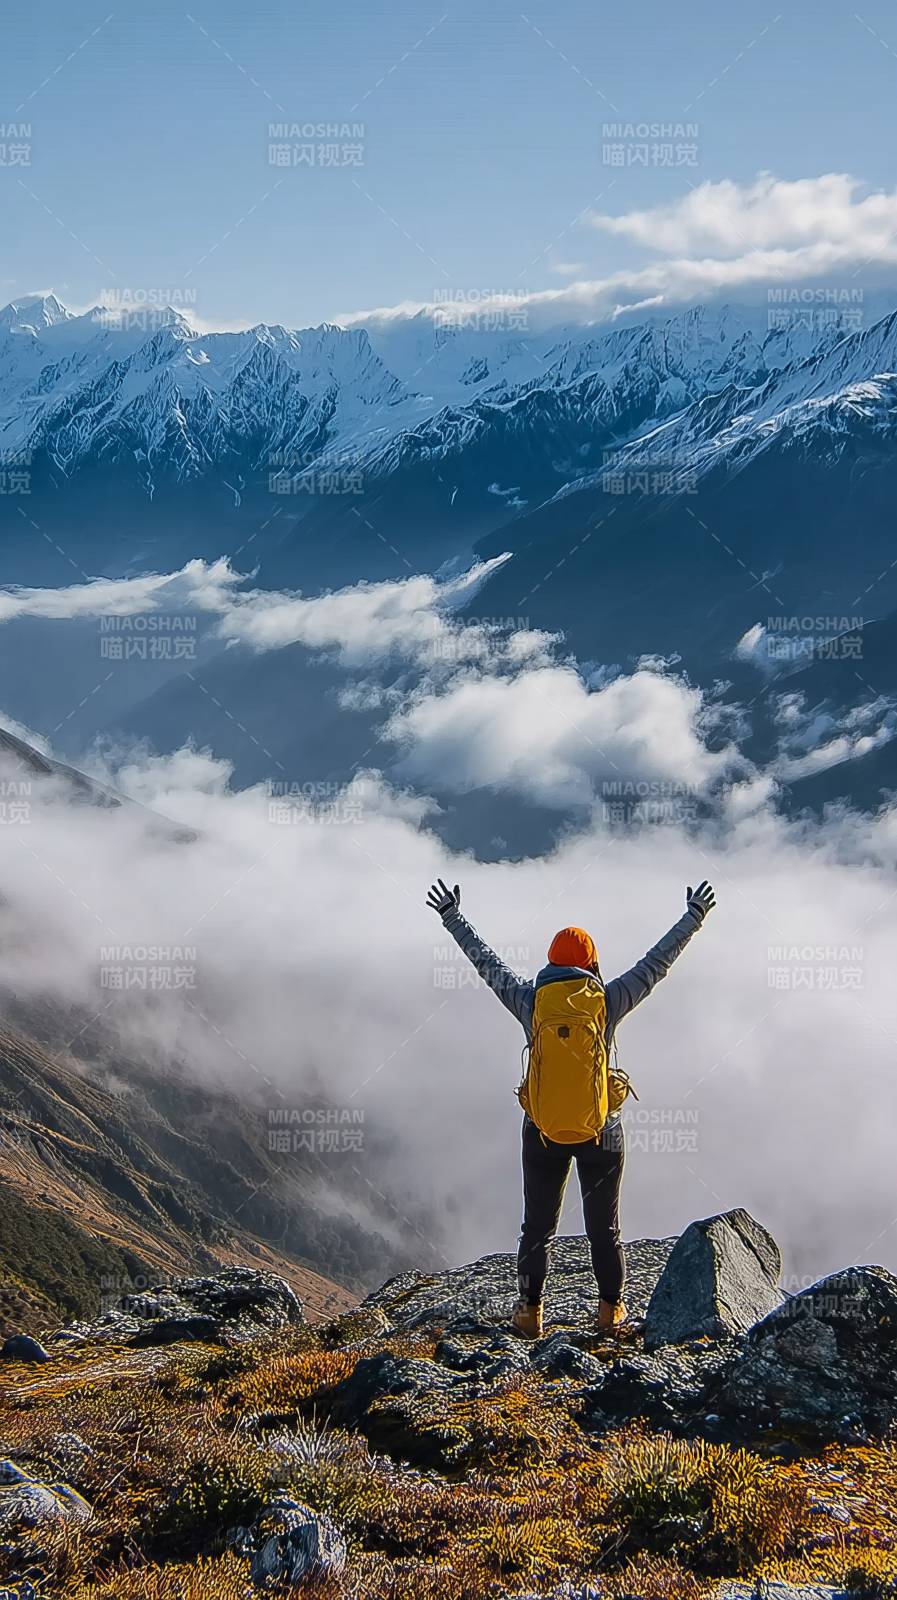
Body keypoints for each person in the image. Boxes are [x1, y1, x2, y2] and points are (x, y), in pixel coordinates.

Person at [425, 877, 716, 1338]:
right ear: (592, 964)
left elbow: (486, 963)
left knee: (536, 1228)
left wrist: (452, 917)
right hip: (601, 1132)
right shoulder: (608, 1001)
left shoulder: (531, 1001)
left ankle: (529, 1312)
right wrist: (694, 917)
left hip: (542, 1133)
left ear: (550, 964)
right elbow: (656, 963)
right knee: (606, 1230)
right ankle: (609, 1312)